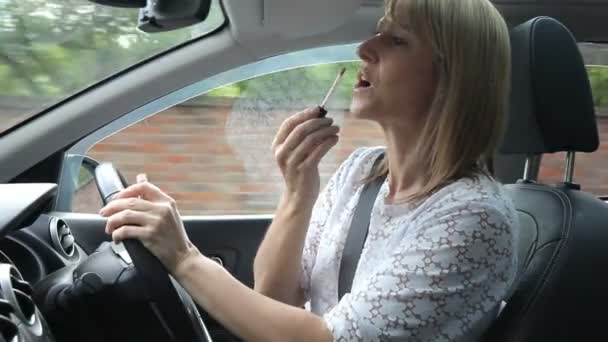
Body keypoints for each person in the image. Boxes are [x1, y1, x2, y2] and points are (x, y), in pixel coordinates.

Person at [99, 0, 518, 340]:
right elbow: (274, 298)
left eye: (396, 39)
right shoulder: (361, 171)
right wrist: (298, 192)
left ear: (450, 76)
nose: (363, 48)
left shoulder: (473, 218)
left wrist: (184, 257)